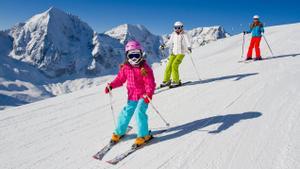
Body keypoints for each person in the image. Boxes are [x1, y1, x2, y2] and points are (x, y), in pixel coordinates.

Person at [104, 40, 156, 147]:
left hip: (143, 96)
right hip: (132, 96)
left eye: (137, 55)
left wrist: (148, 94)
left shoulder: (145, 68)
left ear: (141, 54)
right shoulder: (125, 68)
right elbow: (120, 79)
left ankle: (144, 135)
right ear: (127, 56)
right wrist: (112, 85)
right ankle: (120, 132)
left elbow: (150, 83)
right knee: (126, 112)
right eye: (131, 55)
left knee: (139, 112)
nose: (134, 58)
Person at [160, 21, 192, 88]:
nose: (177, 29)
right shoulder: (173, 34)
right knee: (168, 66)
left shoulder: (185, 34)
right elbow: (170, 42)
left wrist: (189, 47)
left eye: (179, 27)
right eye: (175, 28)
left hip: (181, 53)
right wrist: (164, 46)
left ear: (182, 27)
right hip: (174, 53)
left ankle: (176, 81)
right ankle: (167, 80)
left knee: (174, 65)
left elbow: (187, 41)